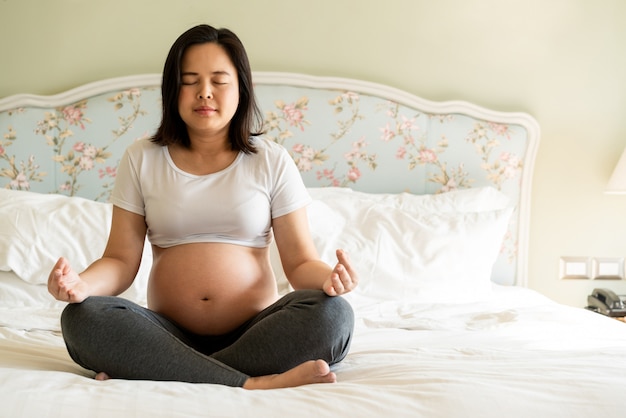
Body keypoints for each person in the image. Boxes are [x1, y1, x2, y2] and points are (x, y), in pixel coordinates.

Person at [47, 24, 357, 389]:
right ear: (172, 90)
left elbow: (300, 262)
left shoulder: (271, 160)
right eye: (189, 80)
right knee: (82, 317)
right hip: (165, 332)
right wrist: (81, 284)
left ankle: (163, 368)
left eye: (218, 80)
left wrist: (328, 280)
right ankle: (251, 382)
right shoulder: (142, 158)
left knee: (333, 315)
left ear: (241, 87)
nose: (204, 92)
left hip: (256, 332)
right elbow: (119, 261)